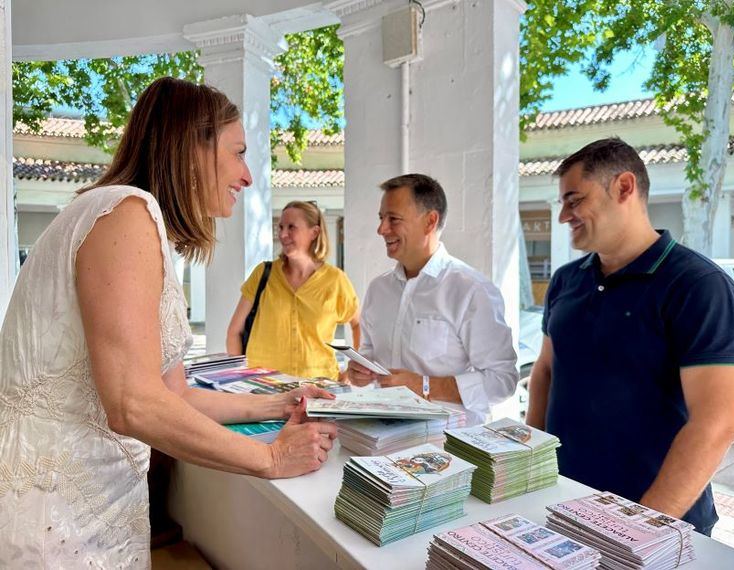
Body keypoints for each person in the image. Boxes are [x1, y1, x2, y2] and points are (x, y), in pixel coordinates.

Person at [0, 77, 337, 567]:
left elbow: (171, 394)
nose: (247, 177)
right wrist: (271, 458)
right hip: (51, 514)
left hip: (92, 510)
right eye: (238, 152)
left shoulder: (134, 221)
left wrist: (277, 402)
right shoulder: (125, 213)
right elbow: (132, 403)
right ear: (193, 146)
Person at [526, 137, 734, 536]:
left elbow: (717, 424)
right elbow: (545, 372)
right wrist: (531, 467)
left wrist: (640, 528)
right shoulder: (566, 281)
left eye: (574, 199)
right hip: (563, 505)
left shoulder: (698, 286)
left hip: (658, 526)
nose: (563, 215)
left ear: (624, 187)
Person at [347, 173, 519, 424]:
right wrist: (360, 372)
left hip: (449, 448)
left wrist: (425, 386)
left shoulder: (471, 290)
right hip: (383, 437)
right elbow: (370, 353)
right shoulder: (378, 289)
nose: (381, 229)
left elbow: (502, 381)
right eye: (381, 218)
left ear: (430, 221)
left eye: (393, 219)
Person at [226, 200, 360, 379]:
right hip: (265, 388)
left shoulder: (335, 280)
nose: (283, 234)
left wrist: (350, 373)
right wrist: (239, 378)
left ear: (314, 232)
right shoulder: (263, 274)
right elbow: (234, 331)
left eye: (291, 227)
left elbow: (358, 324)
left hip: (319, 388)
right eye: (280, 227)